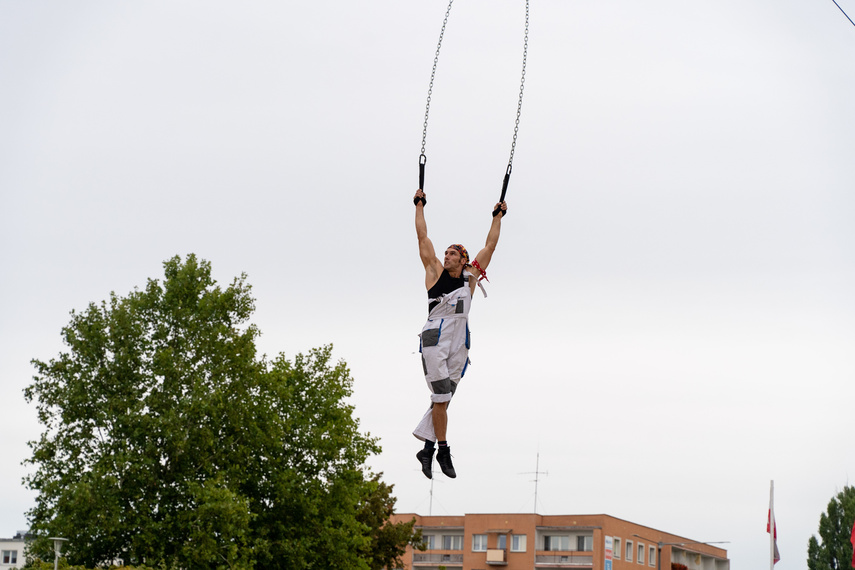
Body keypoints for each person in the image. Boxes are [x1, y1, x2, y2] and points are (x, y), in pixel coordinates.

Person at [412, 187, 507, 479]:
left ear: (463, 259)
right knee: (440, 395)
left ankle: (427, 449)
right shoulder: (435, 273)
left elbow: (489, 246)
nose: (447, 256)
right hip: (435, 340)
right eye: (446, 253)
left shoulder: (470, 279)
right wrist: (419, 205)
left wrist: (497, 216)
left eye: (453, 253)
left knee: (444, 399)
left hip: (459, 344)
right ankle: (442, 448)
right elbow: (422, 238)